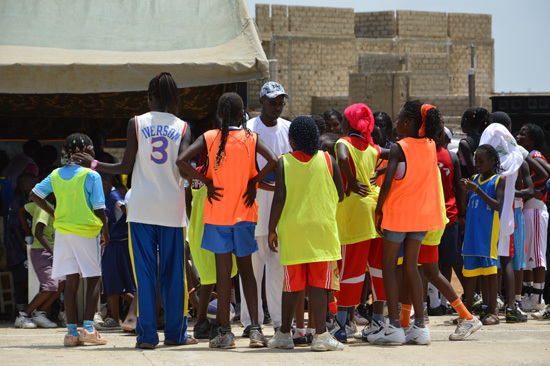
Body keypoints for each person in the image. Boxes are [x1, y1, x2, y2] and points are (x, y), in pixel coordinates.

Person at [72, 72, 194, 349]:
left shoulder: (136, 123)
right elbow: (183, 166)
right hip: (172, 210)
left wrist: (93, 164)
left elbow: (125, 167)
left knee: (145, 274)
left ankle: (147, 337)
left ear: (150, 96)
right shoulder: (184, 127)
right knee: (174, 275)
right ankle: (176, 335)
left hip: (141, 209)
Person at [176, 92, 278, 349]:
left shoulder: (210, 137)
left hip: (217, 215)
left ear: (220, 114)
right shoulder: (251, 139)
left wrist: (208, 182)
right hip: (245, 214)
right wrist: (254, 181)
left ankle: (224, 332)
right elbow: (274, 160)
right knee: (247, 273)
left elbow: (181, 161)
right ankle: (255, 330)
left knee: (223, 276)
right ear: (242, 113)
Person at [267, 116, 345, 352]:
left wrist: (272, 228)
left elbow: (279, 198)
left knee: (292, 286)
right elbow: (341, 194)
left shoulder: (283, 162)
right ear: (316, 138)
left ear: (291, 141)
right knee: (319, 286)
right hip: (321, 230)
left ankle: (283, 334)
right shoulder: (328, 159)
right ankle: (321, 336)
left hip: (293, 231)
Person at [374, 101, 445, 345]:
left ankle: (393, 325)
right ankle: (420, 326)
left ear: (411, 122)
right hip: (421, 216)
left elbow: (388, 182)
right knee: (412, 268)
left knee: (389, 266)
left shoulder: (398, 147)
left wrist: (378, 210)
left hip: (398, 214)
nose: (396, 123)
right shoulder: (431, 145)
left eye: (400, 118)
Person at [30, 133, 109, 347]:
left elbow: (34, 194)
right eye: (91, 149)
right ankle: (89, 330)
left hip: (63, 233)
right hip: (86, 231)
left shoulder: (56, 174)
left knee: (71, 281)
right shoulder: (91, 175)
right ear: (85, 150)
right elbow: (99, 208)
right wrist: (106, 231)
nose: (94, 153)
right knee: (93, 278)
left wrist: (53, 211)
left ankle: (71, 333)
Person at [239, 81, 291, 336]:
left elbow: (291, 171)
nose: (277, 107)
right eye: (273, 102)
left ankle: (280, 322)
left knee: (277, 270)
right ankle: (251, 322)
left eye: (281, 103)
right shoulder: (247, 130)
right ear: (261, 102)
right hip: (253, 209)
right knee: (252, 269)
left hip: (280, 213)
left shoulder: (289, 129)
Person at [331, 103, 382, 343]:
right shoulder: (372, 147)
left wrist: (350, 181)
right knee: (377, 269)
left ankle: (342, 325)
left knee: (350, 269)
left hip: (354, 210)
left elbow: (341, 158)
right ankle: (378, 322)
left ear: (347, 123)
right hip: (375, 206)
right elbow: (389, 155)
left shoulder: (344, 143)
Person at [460, 144, 505, 325]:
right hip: (471, 233)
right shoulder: (474, 178)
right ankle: (467, 313)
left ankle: (493, 311)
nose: (477, 164)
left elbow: (497, 205)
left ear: (492, 161)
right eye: (475, 161)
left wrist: (477, 190)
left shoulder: (497, 180)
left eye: (481, 161)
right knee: (470, 274)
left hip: (487, 234)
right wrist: (465, 191)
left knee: (490, 274)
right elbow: (465, 207)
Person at [14, 193, 63, 329]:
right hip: (42, 251)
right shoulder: (44, 208)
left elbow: (21, 210)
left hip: (53, 251)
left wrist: (27, 231)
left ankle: (40, 314)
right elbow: (39, 233)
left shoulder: (39, 205)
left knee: (62, 283)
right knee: (50, 286)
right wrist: (29, 233)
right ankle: (23, 315)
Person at [95, 172, 136, 330]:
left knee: (113, 280)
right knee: (113, 281)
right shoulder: (105, 196)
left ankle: (114, 318)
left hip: (118, 243)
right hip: (112, 244)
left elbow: (126, 210)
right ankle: (140, 306)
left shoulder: (114, 198)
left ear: (104, 183)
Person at [516, 124, 550, 312]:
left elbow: (547, 171)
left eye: (523, 134)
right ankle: (529, 295)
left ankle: (538, 298)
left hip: (536, 210)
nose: (519, 136)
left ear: (533, 140)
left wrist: (537, 189)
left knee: (536, 256)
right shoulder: (524, 155)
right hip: (528, 210)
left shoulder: (535, 155)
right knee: (528, 255)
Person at [458, 108, 490, 179]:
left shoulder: (464, 143)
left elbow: (473, 171)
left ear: (465, 121)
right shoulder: (483, 139)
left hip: (471, 184)